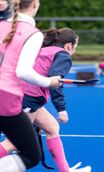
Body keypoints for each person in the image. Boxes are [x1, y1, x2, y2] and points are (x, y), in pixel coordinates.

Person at [0, 27, 92, 172]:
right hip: (28, 99)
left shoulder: (41, 50)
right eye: (75, 47)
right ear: (69, 46)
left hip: (24, 96)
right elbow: (55, 82)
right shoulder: (63, 56)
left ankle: (65, 170)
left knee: (52, 128)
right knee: (15, 143)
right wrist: (61, 109)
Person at [0, 0, 61, 171]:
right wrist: (50, 82)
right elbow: (23, 72)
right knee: (30, 155)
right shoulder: (32, 34)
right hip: (5, 99)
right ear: (35, 4)